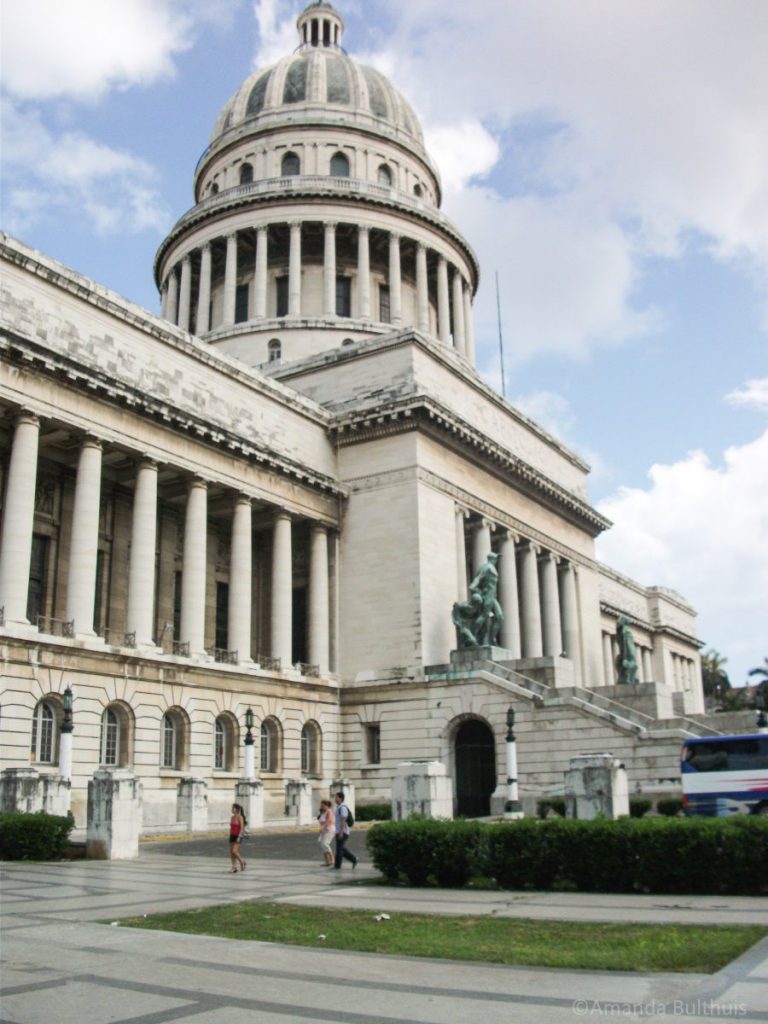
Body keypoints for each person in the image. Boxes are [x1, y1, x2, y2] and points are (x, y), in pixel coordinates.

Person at [333, 791, 358, 870]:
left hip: (342, 831)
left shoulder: (343, 808)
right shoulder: (339, 807)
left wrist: (341, 832)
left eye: (336, 797)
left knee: (339, 850)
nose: (335, 799)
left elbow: (343, 820)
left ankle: (337, 866)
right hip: (339, 831)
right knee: (341, 849)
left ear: (340, 798)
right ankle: (353, 859)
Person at [228, 803, 246, 873]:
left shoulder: (240, 817)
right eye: (232, 808)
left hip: (238, 836)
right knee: (231, 853)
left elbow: (242, 828)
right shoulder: (232, 817)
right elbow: (231, 828)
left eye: (233, 808)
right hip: (232, 836)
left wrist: (239, 837)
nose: (232, 809)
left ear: (237, 809)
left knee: (234, 851)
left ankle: (242, 862)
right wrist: (229, 836)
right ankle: (234, 867)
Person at [317, 798, 335, 866]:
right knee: (323, 845)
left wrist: (323, 827)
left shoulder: (329, 812)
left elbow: (329, 821)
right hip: (324, 831)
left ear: (327, 805)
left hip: (329, 830)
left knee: (325, 844)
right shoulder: (323, 812)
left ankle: (332, 859)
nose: (322, 806)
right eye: (321, 805)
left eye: (323, 805)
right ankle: (327, 861)